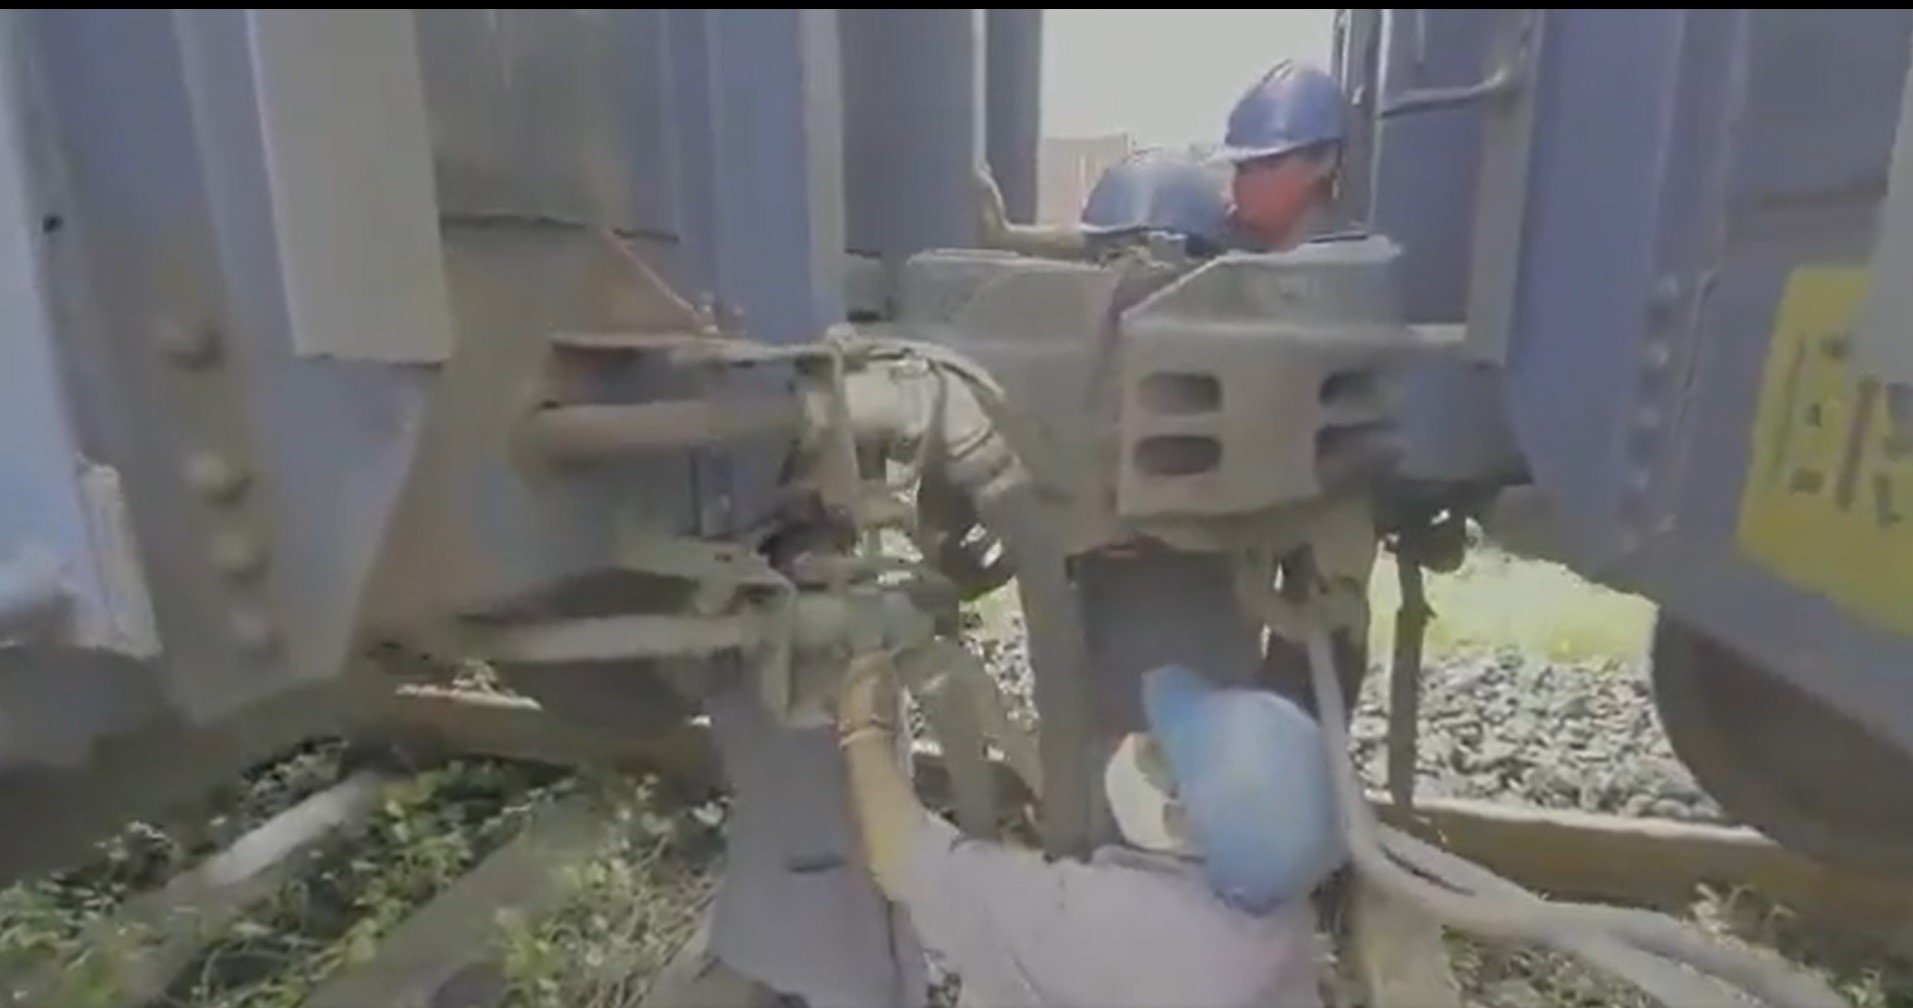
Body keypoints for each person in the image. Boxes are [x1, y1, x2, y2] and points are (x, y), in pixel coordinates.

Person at [835, 656, 1344, 1008]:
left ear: (1181, 821)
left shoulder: (1117, 926)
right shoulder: (1278, 912)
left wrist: (863, 727)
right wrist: (1000, 725)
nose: (1135, 741)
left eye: (1157, 753)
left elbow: (905, 858)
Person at [978, 59, 1347, 259]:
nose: (1242, 184)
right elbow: (1115, 245)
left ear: (1321, 163)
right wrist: (1010, 236)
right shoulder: (1225, 237)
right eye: (1240, 168)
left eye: (1264, 165)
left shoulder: (1344, 267)